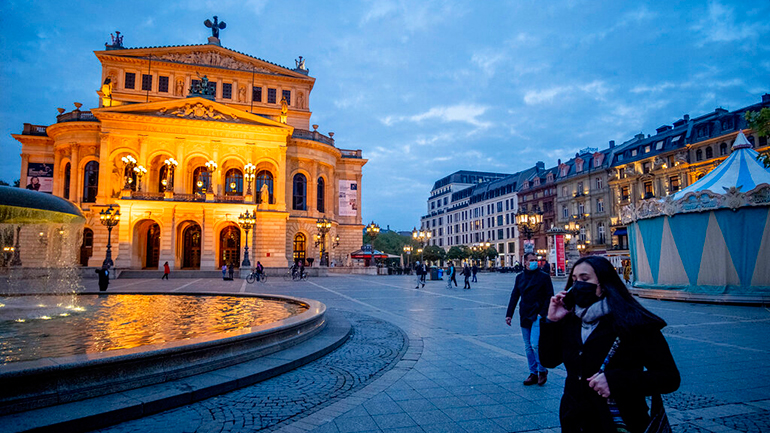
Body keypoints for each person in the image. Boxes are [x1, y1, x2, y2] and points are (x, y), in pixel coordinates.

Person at [540, 255, 680, 432]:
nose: (578, 286)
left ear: (604, 284)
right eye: (574, 279)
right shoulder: (571, 318)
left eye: (585, 279)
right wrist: (551, 322)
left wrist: (617, 381)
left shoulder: (634, 322)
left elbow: (669, 378)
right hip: (575, 419)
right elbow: (549, 360)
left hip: (619, 420)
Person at [505, 252, 554, 386]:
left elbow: (550, 296)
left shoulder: (544, 277)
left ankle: (542, 370)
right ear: (525, 262)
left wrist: (542, 313)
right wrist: (509, 314)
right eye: (531, 260)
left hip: (538, 314)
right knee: (528, 346)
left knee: (535, 344)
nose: (534, 262)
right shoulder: (520, 277)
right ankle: (533, 373)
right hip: (525, 313)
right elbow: (515, 295)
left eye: (535, 260)